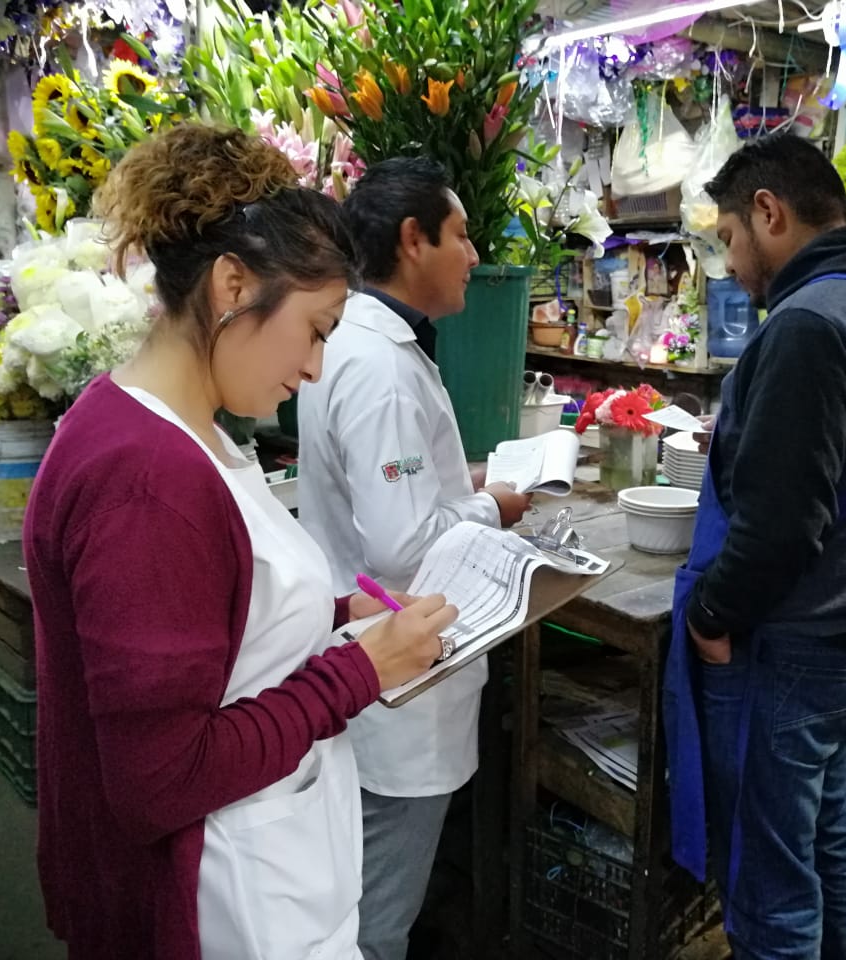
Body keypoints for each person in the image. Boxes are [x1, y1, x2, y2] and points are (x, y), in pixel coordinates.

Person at [23, 125, 459, 960]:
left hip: (268, 871)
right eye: (318, 329)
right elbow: (158, 781)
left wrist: (336, 613)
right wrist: (359, 671)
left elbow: (206, 617)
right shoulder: (144, 477)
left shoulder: (193, 432)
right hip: (207, 906)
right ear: (232, 285)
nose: (318, 367)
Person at [663, 133, 846, 960]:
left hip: (794, 644)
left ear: (769, 214)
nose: (730, 262)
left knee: (769, 888)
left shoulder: (811, 323)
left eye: (729, 239)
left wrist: (713, 613)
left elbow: (782, 527)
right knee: (825, 844)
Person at [297, 156, 533, 960]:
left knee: (365, 887)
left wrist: (450, 481)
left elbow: (381, 492)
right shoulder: (379, 365)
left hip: (367, 666)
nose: (473, 255)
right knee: (377, 916)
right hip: (398, 682)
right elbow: (400, 546)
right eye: (461, 236)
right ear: (411, 239)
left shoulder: (360, 345)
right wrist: (489, 505)